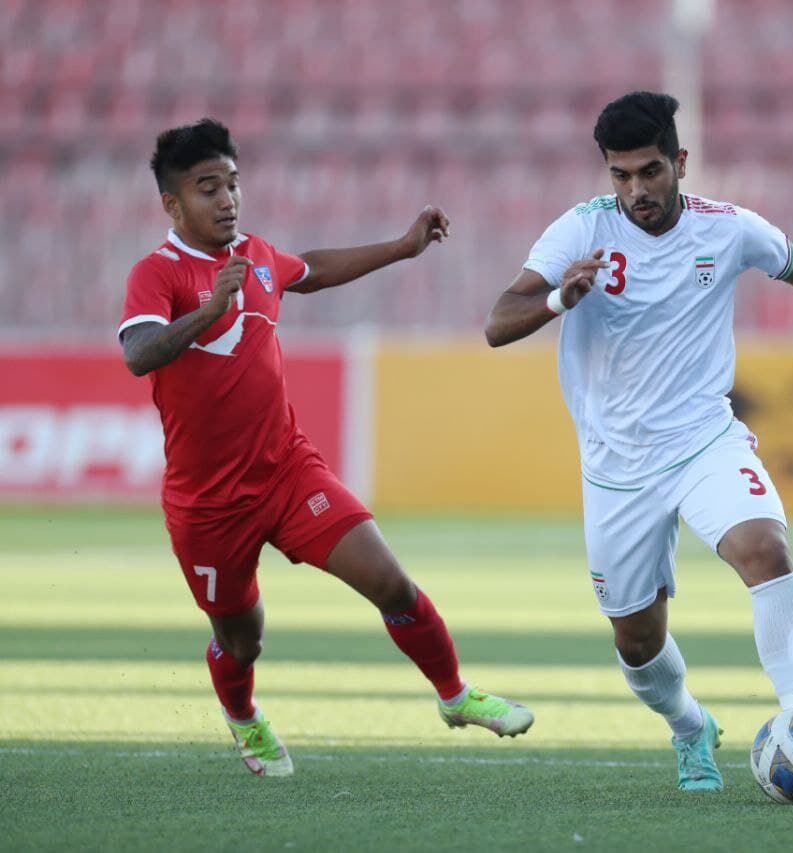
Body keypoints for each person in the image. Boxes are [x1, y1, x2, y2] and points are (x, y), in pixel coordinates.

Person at [484, 92, 793, 792]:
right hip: (616, 468)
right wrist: (563, 297)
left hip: (704, 439)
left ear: (679, 162)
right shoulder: (579, 232)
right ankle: (690, 726)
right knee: (637, 639)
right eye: (620, 176)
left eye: (650, 171)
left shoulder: (728, 228)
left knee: (764, 547)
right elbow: (498, 323)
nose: (635, 191)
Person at [118, 118, 533, 778]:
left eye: (232, 184)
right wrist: (207, 312)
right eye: (207, 188)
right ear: (172, 203)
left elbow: (310, 269)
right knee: (241, 639)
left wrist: (401, 246)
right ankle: (245, 717)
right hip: (208, 505)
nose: (227, 199)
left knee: (391, 581)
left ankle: (456, 695)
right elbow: (138, 353)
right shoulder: (157, 273)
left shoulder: (254, 253)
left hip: (286, 472)